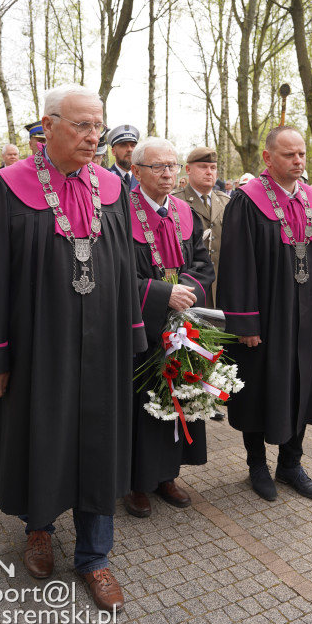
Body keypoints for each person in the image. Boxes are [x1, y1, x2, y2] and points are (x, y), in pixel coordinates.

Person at [0, 84, 146, 613]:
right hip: (37, 349)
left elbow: (124, 270)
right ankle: (38, 529)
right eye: (83, 125)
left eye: (99, 125)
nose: (95, 136)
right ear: (49, 124)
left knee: (98, 445)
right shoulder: (8, 187)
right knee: (41, 438)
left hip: (102, 352)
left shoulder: (113, 188)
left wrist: (132, 333)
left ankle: (95, 556)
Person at [217, 126, 312, 503]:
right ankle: (257, 464)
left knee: (303, 385)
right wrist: (245, 321)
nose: (298, 161)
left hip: (307, 318)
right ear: (268, 159)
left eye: (302, 154)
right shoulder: (247, 201)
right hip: (267, 318)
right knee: (259, 388)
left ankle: (291, 463)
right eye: (290, 155)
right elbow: (236, 265)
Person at [124, 137, 214, 518]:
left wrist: (187, 294)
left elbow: (202, 265)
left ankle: (167, 475)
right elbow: (119, 273)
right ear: (136, 171)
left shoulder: (184, 210)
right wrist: (163, 295)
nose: (167, 173)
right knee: (141, 403)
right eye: (158, 166)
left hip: (182, 322)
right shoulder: (118, 212)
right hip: (140, 324)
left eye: (172, 166)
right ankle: (135, 483)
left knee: (176, 396)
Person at [174, 147, 230, 308]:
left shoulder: (227, 202)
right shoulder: (176, 201)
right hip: (191, 289)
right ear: (188, 169)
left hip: (222, 287)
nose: (209, 172)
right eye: (203, 167)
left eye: (212, 168)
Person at [107, 124, 139, 189]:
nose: (130, 149)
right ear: (113, 151)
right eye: (123, 145)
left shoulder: (143, 179)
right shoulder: (105, 177)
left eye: (133, 145)